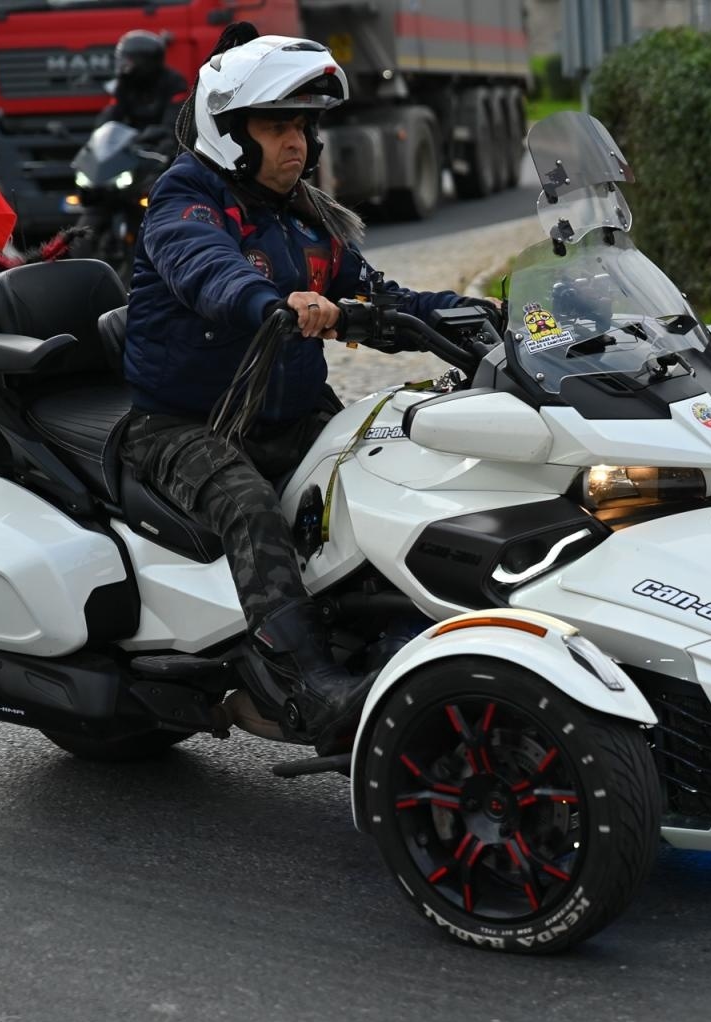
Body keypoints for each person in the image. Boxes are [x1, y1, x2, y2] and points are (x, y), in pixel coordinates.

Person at [120, 34, 494, 755]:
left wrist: (488, 320)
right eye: (277, 127)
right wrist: (269, 302)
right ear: (228, 135)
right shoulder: (186, 197)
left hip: (287, 413)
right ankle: (309, 682)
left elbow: (384, 298)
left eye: (302, 127)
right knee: (246, 501)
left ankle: (395, 631)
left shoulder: (302, 215)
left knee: (394, 457)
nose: (297, 143)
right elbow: (204, 266)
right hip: (184, 423)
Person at [97, 30, 188, 158]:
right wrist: (100, 132)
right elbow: (112, 111)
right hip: (132, 145)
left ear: (145, 62)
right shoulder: (125, 83)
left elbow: (175, 123)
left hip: (163, 148)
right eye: (122, 60)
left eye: (128, 62)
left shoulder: (174, 83)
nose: (123, 66)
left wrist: (159, 133)